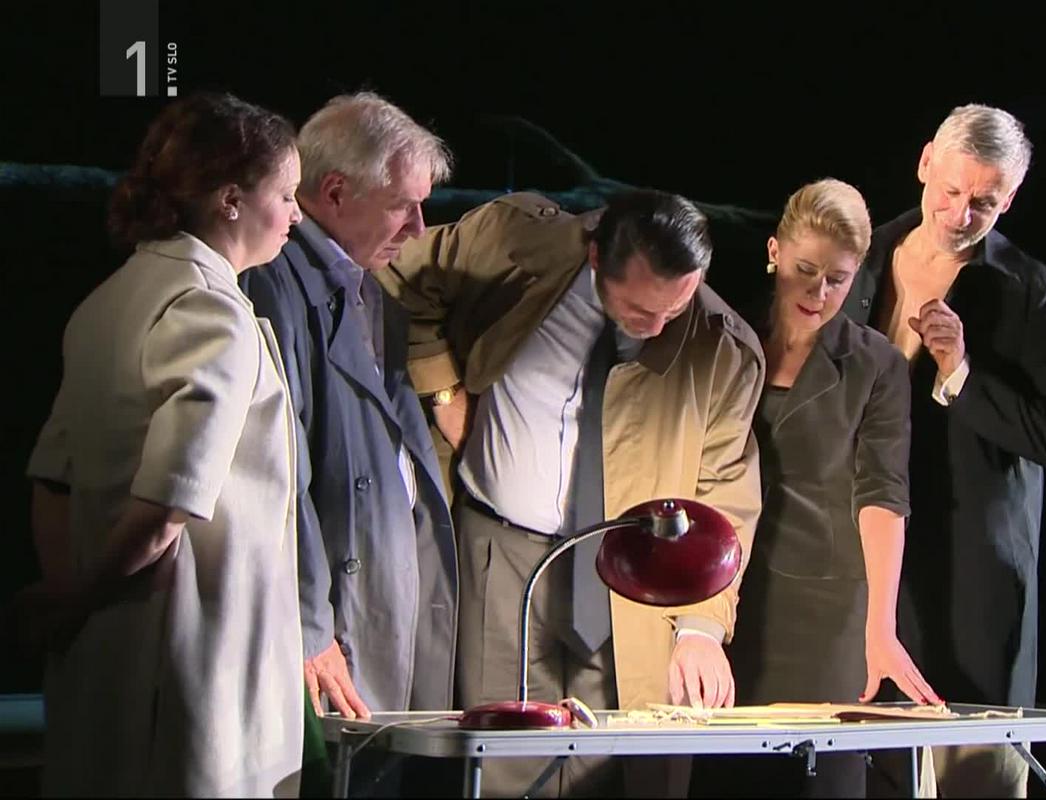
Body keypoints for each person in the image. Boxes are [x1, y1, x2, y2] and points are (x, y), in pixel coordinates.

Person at [378, 187, 765, 796]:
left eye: (675, 308)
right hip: (501, 554)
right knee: (504, 759)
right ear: (595, 258)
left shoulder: (723, 349)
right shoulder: (514, 246)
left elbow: (725, 493)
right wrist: (444, 391)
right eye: (639, 309)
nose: (656, 327)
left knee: (609, 768)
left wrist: (700, 627)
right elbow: (404, 274)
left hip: (634, 579)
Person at [21, 92, 305, 796]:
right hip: (187, 649)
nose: (297, 215)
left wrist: (67, 598)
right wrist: (78, 596)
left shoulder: (108, 299)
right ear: (231, 200)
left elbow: (53, 476)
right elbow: (168, 504)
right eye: (287, 195)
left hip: (107, 643)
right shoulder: (209, 309)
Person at [842, 104, 1046, 797]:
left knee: (977, 772)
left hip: (975, 572)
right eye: (949, 191)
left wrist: (961, 373)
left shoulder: (1027, 287)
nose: (959, 214)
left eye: (983, 203)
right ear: (924, 163)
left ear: (1010, 199)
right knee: (875, 764)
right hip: (869, 555)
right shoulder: (862, 257)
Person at [238, 92, 459, 793]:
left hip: (381, 608)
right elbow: (280, 471)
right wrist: (308, 623)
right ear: (334, 192)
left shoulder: (374, 295)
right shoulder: (275, 285)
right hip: (332, 623)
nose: (418, 228)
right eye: (403, 207)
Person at [708, 179, 942, 798]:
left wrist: (880, 626)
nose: (818, 294)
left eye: (837, 279)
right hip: (726, 596)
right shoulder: (725, 334)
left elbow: (883, 493)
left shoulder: (876, 363)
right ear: (774, 252)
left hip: (827, 607)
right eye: (805, 271)